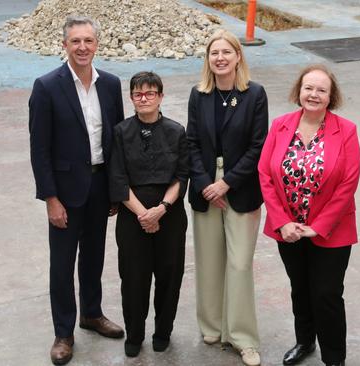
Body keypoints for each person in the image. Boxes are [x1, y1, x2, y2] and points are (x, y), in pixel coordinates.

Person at [29, 15, 125, 365]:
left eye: (88, 41)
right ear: (65, 44)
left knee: (94, 256)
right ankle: (63, 332)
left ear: (97, 44)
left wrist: (117, 189)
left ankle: (92, 313)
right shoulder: (47, 86)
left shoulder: (111, 84)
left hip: (100, 185)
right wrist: (51, 198)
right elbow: (39, 149)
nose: (82, 47)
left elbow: (117, 139)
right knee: (62, 263)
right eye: (75, 41)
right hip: (65, 191)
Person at [258, 64, 360, 366]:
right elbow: (265, 173)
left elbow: (348, 183)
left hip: (332, 231)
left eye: (321, 90)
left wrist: (319, 226)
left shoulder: (346, 130)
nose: (313, 94)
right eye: (308, 88)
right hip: (288, 229)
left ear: (331, 97)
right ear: (299, 91)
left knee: (327, 295)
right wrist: (282, 221)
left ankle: (334, 358)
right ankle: (304, 341)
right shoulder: (280, 125)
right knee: (300, 289)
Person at [186, 29, 268, 366]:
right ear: (208, 59)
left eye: (226, 52)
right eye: (213, 53)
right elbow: (191, 142)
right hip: (205, 186)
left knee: (238, 263)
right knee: (209, 259)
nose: (220, 58)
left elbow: (258, 146)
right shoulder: (198, 94)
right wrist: (207, 183)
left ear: (238, 57)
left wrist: (227, 183)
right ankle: (212, 325)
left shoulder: (255, 94)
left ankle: (243, 337)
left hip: (241, 187)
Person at [108, 71, 189, 357]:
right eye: (138, 94)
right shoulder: (120, 132)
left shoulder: (176, 130)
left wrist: (161, 210)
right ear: (131, 98)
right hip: (133, 217)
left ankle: (163, 330)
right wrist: (144, 214)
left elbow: (181, 176)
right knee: (133, 278)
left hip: (170, 214)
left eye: (150, 93)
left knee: (169, 276)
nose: (144, 99)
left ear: (161, 97)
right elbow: (117, 178)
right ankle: (135, 334)